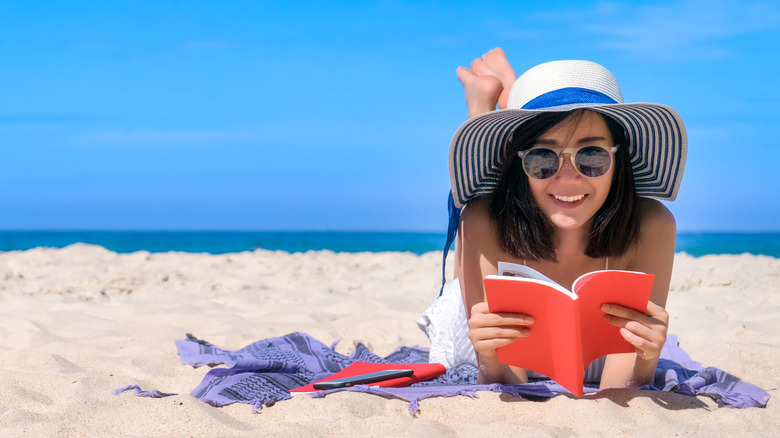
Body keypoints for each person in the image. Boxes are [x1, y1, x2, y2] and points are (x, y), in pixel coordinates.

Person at [419, 48, 687, 391]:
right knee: (472, 209)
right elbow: (502, 383)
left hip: (588, 360)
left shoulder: (652, 226)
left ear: (620, 161)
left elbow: (621, 389)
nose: (568, 178)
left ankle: (514, 101)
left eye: (592, 155)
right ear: (520, 166)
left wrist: (647, 360)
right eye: (542, 157)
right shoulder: (484, 220)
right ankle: (482, 108)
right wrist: (489, 355)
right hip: (487, 270)